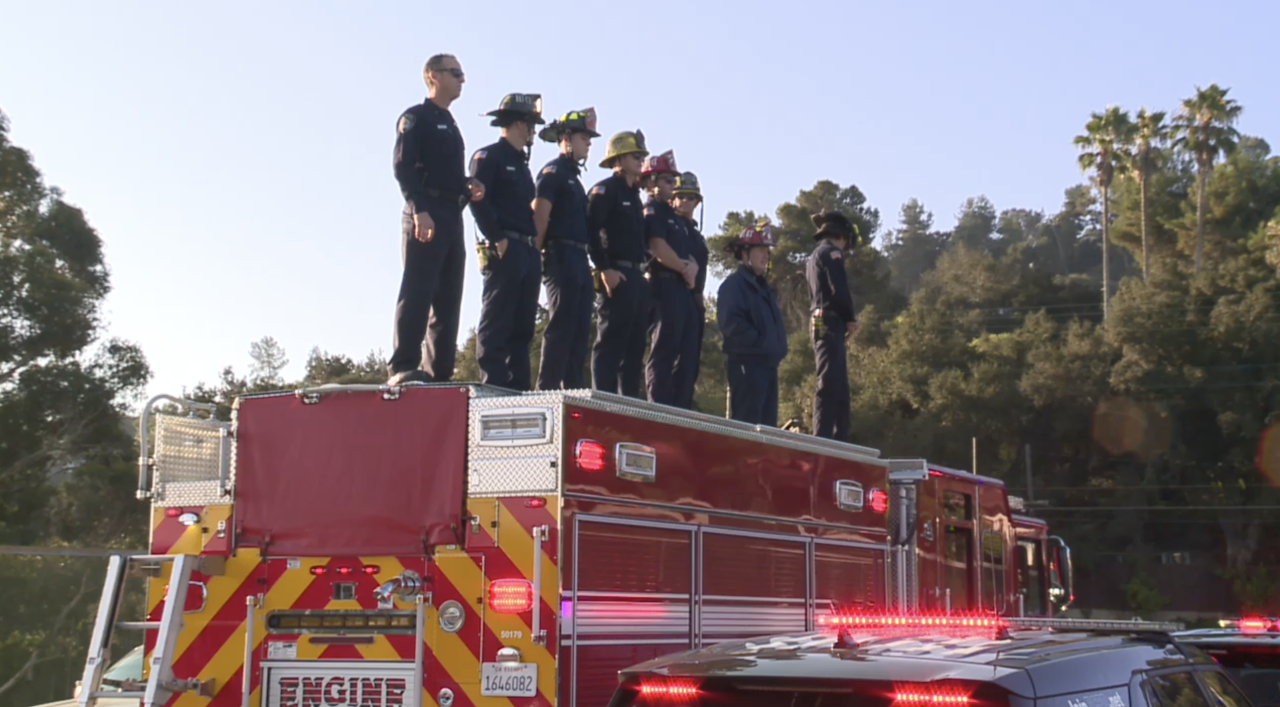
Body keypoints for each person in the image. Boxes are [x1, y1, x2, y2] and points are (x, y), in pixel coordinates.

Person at [387, 54, 485, 385]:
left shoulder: (451, 123)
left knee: (448, 298)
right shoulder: (416, 118)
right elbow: (403, 167)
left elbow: (447, 172)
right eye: (455, 72)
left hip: (451, 215)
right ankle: (403, 366)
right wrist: (418, 209)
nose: (462, 79)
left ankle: (439, 374)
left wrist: (468, 184)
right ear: (433, 76)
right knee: (418, 290)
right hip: (425, 211)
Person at [468, 93, 545, 391]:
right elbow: (479, 202)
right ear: (516, 124)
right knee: (497, 319)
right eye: (529, 124)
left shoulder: (522, 165)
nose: (532, 131)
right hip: (505, 248)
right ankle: (493, 384)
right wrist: (497, 239)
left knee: (523, 326)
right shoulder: (488, 157)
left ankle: (518, 387)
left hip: (527, 250)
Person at [533, 108, 600, 390]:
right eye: (584, 136)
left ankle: (571, 388)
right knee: (561, 325)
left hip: (579, 258)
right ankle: (546, 387)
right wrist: (534, 255)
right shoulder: (553, 172)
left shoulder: (575, 178)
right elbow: (540, 215)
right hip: (560, 256)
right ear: (566, 138)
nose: (589, 142)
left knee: (579, 328)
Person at [587, 130, 649, 397]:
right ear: (619, 159)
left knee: (635, 347)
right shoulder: (605, 190)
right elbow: (590, 231)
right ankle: (604, 400)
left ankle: (629, 406)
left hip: (636, 277)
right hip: (617, 274)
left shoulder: (635, 196)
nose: (641, 161)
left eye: (642, 156)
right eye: (636, 156)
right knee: (610, 343)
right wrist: (604, 268)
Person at [640, 151, 698, 406]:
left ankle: (675, 409)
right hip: (661, 284)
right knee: (662, 351)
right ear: (651, 182)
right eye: (667, 181)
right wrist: (684, 269)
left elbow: (688, 256)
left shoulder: (672, 217)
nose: (672, 187)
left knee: (680, 354)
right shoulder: (652, 210)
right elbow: (658, 247)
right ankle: (658, 407)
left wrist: (690, 268)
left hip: (680, 290)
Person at [716, 221, 787, 426]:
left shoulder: (765, 289)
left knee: (766, 430)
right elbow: (731, 325)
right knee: (747, 427)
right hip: (747, 367)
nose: (766, 256)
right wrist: (762, 344)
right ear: (745, 254)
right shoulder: (733, 286)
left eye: (767, 251)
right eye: (761, 250)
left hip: (768, 367)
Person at [806, 211, 860, 441]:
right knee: (830, 384)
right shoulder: (832, 252)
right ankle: (827, 440)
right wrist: (851, 318)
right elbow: (839, 289)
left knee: (835, 382)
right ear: (841, 236)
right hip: (830, 320)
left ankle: (835, 439)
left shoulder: (813, 257)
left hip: (819, 319)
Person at [671, 172, 708, 409]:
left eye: (691, 197)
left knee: (689, 361)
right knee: (668, 357)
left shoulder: (697, 236)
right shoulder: (667, 226)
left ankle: (683, 406)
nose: (686, 201)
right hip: (670, 295)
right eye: (681, 196)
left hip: (693, 301)